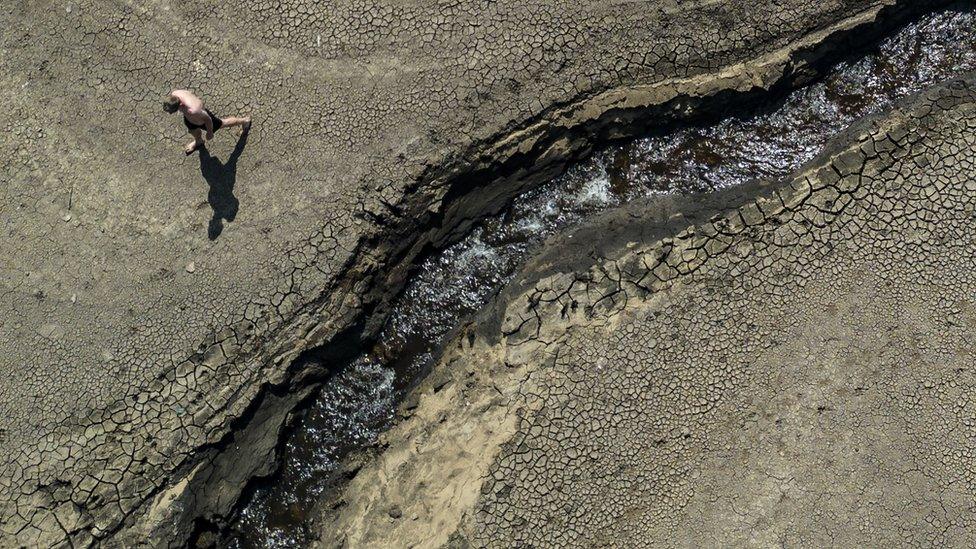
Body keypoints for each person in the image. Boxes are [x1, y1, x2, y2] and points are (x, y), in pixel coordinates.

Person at [162, 90, 251, 154]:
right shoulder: (175, 94)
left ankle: (245, 120)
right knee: (192, 130)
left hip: (202, 120)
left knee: (223, 123)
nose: (170, 114)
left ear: (180, 104)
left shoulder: (193, 110)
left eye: (172, 111)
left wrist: (210, 132)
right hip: (190, 119)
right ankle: (198, 141)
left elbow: (207, 119)